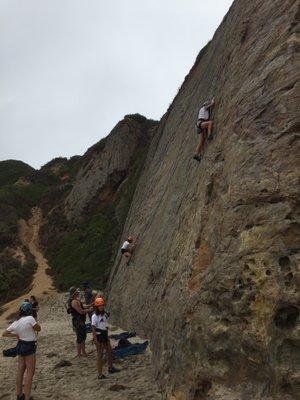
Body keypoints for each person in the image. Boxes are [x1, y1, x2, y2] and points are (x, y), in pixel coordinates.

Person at [2, 301, 41, 400]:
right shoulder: (30, 318)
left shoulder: (16, 322)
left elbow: (4, 333)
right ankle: (27, 397)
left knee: (20, 371)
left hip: (20, 346)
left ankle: (19, 395)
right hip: (29, 347)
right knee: (29, 373)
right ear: (29, 311)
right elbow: (38, 328)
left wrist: (16, 335)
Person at [91, 297, 119, 379]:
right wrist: (96, 340)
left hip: (104, 335)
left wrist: (109, 328)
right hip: (99, 336)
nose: (101, 307)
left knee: (110, 352)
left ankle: (110, 368)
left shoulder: (104, 314)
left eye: (102, 305)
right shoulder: (94, 316)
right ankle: (100, 374)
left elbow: (104, 325)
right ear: (96, 307)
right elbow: (93, 329)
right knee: (100, 355)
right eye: (100, 306)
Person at [68, 287, 93, 358]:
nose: (78, 292)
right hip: (78, 321)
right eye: (76, 292)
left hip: (80, 321)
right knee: (80, 338)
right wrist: (89, 310)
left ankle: (84, 352)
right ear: (74, 293)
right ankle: (79, 354)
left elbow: (82, 306)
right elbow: (81, 311)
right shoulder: (74, 301)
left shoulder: (76, 300)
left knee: (83, 337)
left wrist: (89, 305)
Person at [193, 98, 215, 162]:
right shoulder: (203, 108)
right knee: (210, 123)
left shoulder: (204, 111)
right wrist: (212, 101)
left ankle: (196, 154)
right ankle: (209, 135)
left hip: (199, 124)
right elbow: (212, 104)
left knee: (201, 141)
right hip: (201, 123)